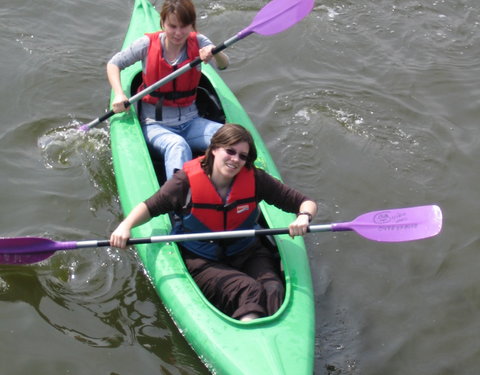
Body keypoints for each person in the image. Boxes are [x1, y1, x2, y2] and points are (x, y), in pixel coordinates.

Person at [110, 123, 317, 321]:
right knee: (248, 289)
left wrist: (303, 217)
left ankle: (276, 339)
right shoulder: (185, 182)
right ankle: (249, 340)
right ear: (215, 149)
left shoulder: (255, 179)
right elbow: (150, 207)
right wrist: (125, 226)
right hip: (201, 257)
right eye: (230, 151)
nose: (235, 159)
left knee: (273, 289)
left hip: (245, 250)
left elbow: (305, 202)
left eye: (242, 156)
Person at [107, 0, 229, 180]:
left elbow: (224, 65)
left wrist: (215, 52)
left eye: (184, 26)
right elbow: (114, 64)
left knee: (231, 139)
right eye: (172, 26)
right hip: (155, 125)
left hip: (192, 122)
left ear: (191, 25)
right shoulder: (147, 44)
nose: (178, 33)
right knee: (178, 146)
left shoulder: (200, 42)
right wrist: (119, 93)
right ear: (163, 23)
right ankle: (178, 204)